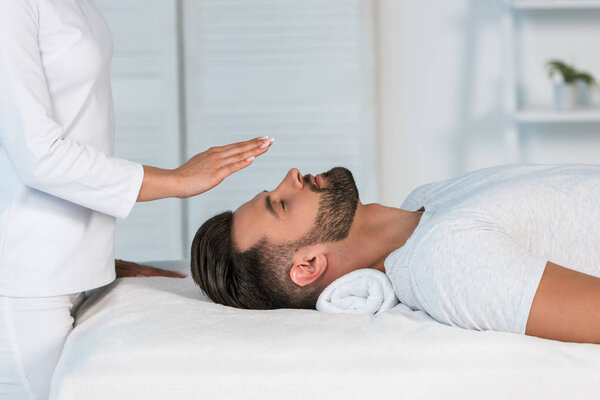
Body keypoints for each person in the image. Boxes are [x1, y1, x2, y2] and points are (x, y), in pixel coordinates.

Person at [0, 1, 273, 399]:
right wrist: (177, 180)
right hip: (25, 283)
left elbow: (72, 129)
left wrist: (94, 257)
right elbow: (38, 156)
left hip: (62, 271)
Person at [190, 164, 600, 345]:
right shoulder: (446, 261)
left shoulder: (423, 201)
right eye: (281, 204)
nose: (290, 176)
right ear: (309, 265)